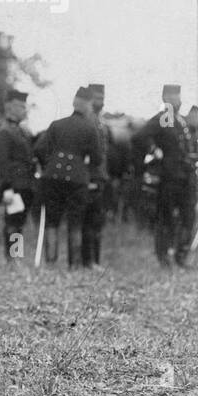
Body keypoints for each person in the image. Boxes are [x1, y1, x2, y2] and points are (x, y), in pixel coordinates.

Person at [33, 87, 103, 268]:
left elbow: (40, 149)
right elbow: (97, 158)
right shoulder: (90, 128)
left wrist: (49, 163)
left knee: (52, 221)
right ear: (88, 105)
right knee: (75, 222)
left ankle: (50, 262)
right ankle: (75, 264)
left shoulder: (57, 124)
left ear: (74, 102)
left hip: (52, 176)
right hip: (78, 179)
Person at [132, 84, 197, 268]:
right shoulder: (163, 118)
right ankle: (164, 258)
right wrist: (154, 150)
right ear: (165, 99)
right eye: (173, 98)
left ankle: (181, 256)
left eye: (178, 97)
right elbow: (139, 137)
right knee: (166, 218)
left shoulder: (181, 120)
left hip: (186, 177)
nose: (178, 101)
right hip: (169, 177)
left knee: (188, 217)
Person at [0, 89, 36, 264]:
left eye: (24, 106)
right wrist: (7, 187)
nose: (24, 110)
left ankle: (15, 255)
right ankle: (12, 257)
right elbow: (2, 163)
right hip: (13, 184)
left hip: (26, 184)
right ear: (9, 107)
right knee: (13, 222)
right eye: (20, 106)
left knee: (19, 223)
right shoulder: (4, 132)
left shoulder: (24, 131)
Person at [80, 82, 111, 267]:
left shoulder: (100, 121)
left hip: (100, 176)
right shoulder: (88, 121)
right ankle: (88, 260)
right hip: (91, 177)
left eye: (103, 98)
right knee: (90, 221)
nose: (101, 102)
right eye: (98, 98)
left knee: (97, 222)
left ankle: (94, 260)